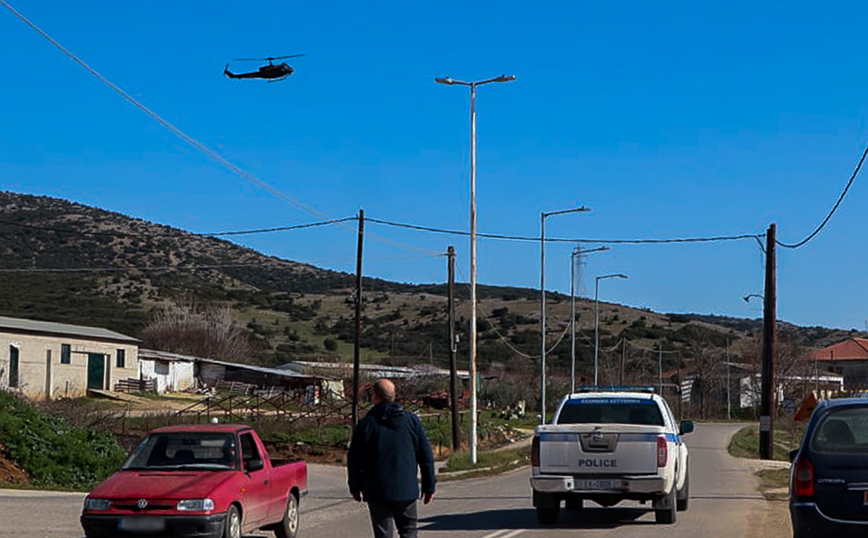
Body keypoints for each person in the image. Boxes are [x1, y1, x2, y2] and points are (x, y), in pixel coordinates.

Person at [348, 379, 436, 538]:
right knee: (409, 531)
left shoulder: (366, 424)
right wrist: (429, 486)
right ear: (394, 396)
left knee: (383, 534)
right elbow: (426, 456)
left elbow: (354, 459)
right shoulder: (411, 421)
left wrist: (355, 487)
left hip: (377, 490)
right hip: (406, 489)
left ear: (375, 397)